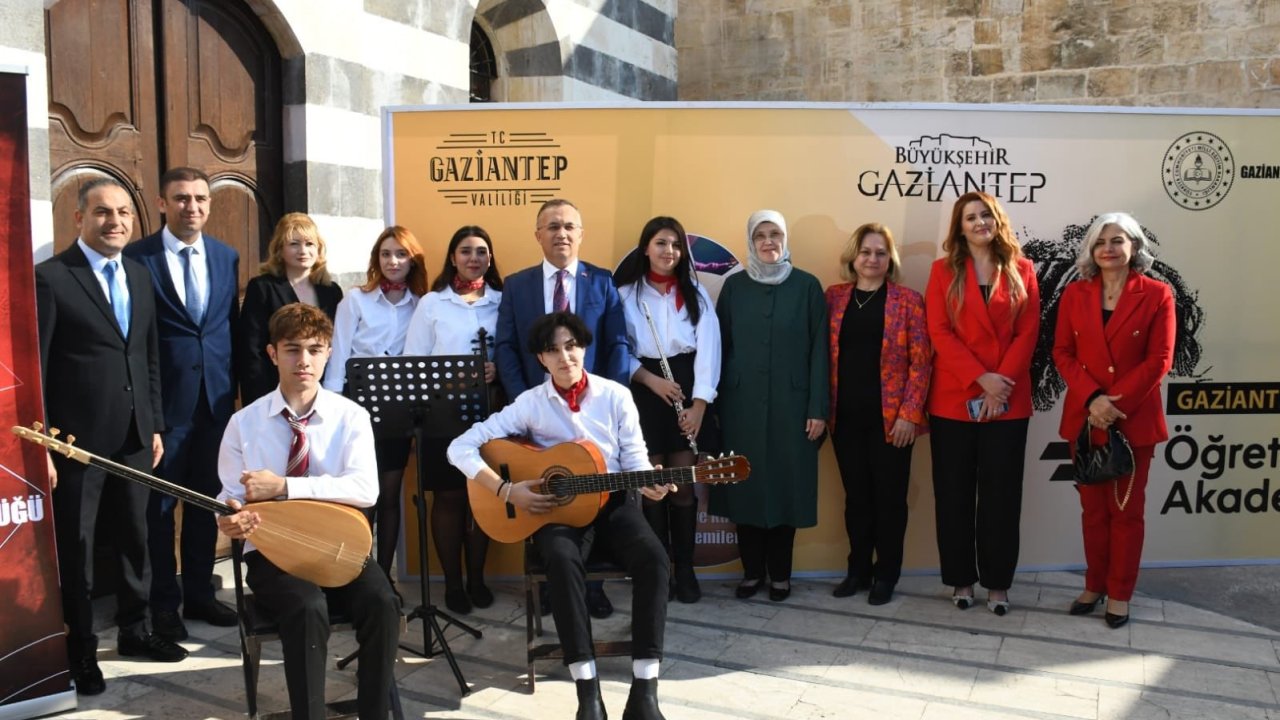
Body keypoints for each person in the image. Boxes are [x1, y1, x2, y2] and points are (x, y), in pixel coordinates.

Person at [448, 312, 671, 720]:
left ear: (583, 348)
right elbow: (459, 447)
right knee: (562, 562)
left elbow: (635, 459)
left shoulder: (615, 395)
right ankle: (587, 692)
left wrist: (649, 483)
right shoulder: (530, 404)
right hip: (556, 514)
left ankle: (645, 689)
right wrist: (505, 489)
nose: (565, 356)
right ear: (541, 359)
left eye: (571, 345)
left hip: (615, 505)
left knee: (655, 560)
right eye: (553, 350)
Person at [36, 177, 187, 695]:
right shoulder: (52, 279)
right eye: (103, 212)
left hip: (135, 437)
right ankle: (79, 651)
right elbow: (37, 367)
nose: (116, 221)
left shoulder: (140, 276)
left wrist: (155, 423)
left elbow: (146, 357)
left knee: (137, 536)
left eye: (124, 212)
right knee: (77, 548)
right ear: (79, 218)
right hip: (74, 442)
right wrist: (46, 444)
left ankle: (135, 630)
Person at [217, 303, 400, 719]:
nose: (304, 361)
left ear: (329, 353)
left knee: (383, 602)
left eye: (315, 350)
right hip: (271, 552)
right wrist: (230, 519)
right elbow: (229, 497)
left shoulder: (350, 416)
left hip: (339, 544)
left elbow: (365, 489)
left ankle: (375, 713)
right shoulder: (243, 423)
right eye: (292, 349)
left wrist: (284, 487)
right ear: (271, 353)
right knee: (306, 606)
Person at [494, 198, 630, 618]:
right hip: (536, 418)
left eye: (570, 226)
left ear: (582, 234)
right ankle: (552, 585)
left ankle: (593, 588)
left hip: (592, 415)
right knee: (545, 496)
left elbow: (617, 345)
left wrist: (606, 400)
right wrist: (526, 401)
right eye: (552, 226)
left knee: (593, 497)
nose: (562, 234)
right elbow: (505, 347)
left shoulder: (602, 282)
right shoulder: (517, 285)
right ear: (538, 235)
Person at [123, 166, 240, 640]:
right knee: (157, 511)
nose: (191, 207)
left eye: (199, 199)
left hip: (214, 405)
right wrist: (145, 412)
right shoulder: (137, 257)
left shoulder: (226, 256)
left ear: (209, 205)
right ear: (161, 203)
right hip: (163, 409)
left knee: (202, 505)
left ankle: (199, 594)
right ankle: (162, 603)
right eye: (181, 199)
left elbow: (225, 326)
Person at [1052, 213, 1175, 629]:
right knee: (1093, 512)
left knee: (1126, 513)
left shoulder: (1158, 295)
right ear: (1091, 249)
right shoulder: (1074, 294)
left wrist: (1112, 403)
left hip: (1132, 419)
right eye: (1100, 241)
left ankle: (1120, 593)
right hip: (1086, 420)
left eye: (1117, 240)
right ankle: (1094, 585)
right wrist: (1092, 399)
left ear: (1134, 247)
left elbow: (1160, 359)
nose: (1108, 248)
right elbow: (1062, 354)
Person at [924, 190, 1040, 616]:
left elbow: (1028, 332)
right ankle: (961, 579)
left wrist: (999, 384)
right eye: (970, 217)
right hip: (954, 399)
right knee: (953, 495)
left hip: (1008, 401)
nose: (979, 223)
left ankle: (998, 584)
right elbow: (939, 332)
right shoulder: (941, 272)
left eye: (985, 215)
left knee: (1002, 497)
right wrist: (981, 378)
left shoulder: (1023, 270)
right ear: (959, 227)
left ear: (997, 221)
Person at [710, 209, 829, 602]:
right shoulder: (735, 288)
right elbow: (718, 349)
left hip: (793, 408)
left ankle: (781, 575)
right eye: (760, 234)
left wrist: (818, 408)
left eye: (775, 233)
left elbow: (819, 353)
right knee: (744, 484)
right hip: (739, 405)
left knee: (785, 487)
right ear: (750, 239)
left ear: (785, 238)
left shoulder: (808, 287)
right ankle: (751, 573)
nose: (768, 241)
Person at [613, 216, 720, 604]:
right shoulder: (625, 294)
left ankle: (686, 569)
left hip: (687, 388)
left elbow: (710, 349)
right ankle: (658, 569)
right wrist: (647, 379)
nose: (668, 252)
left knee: (683, 487)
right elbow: (617, 349)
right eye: (660, 243)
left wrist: (699, 406)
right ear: (645, 248)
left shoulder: (697, 294)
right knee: (653, 485)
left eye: (675, 245)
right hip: (644, 388)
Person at [825, 223, 931, 605]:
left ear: (890, 260)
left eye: (881, 253)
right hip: (845, 419)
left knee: (889, 499)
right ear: (853, 256)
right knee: (856, 499)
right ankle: (858, 571)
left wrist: (909, 414)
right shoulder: (833, 298)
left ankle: (886, 574)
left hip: (892, 421)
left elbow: (922, 362)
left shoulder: (907, 300)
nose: (873, 259)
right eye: (866, 252)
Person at [403, 225, 504, 614]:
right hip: (442, 413)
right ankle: (452, 583)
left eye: (481, 251)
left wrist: (498, 371)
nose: (473, 257)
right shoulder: (432, 303)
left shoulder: (501, 300)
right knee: (448, 497)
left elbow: (512, 351)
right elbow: (415, 361)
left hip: (490, 413)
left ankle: (477, 578)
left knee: (483, 497)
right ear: (452, 257)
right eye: (465, 251)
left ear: (490, 259)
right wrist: (448, 377)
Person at [323, 226, 428, 577]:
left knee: (391, 492)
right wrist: (332, 406)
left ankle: (383, 578)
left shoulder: (422, 303)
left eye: (400, 254)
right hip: (358, 404)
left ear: (413, 260)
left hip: (399, 406)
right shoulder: (356, 300)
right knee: (360, 494)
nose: (393, 261)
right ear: (376, 259)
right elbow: (338, 354)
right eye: (386, 254)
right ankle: (357, 575)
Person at [238, 212, 343, 404]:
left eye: (309, 244)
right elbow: (251, 348)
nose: (303, 250)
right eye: (294, 244)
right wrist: (258, 399)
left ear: (319, 249)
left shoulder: (331, 291)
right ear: (279, 249)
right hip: (273, 389)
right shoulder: (262, 287)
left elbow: (337, 342)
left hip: (320, 390)